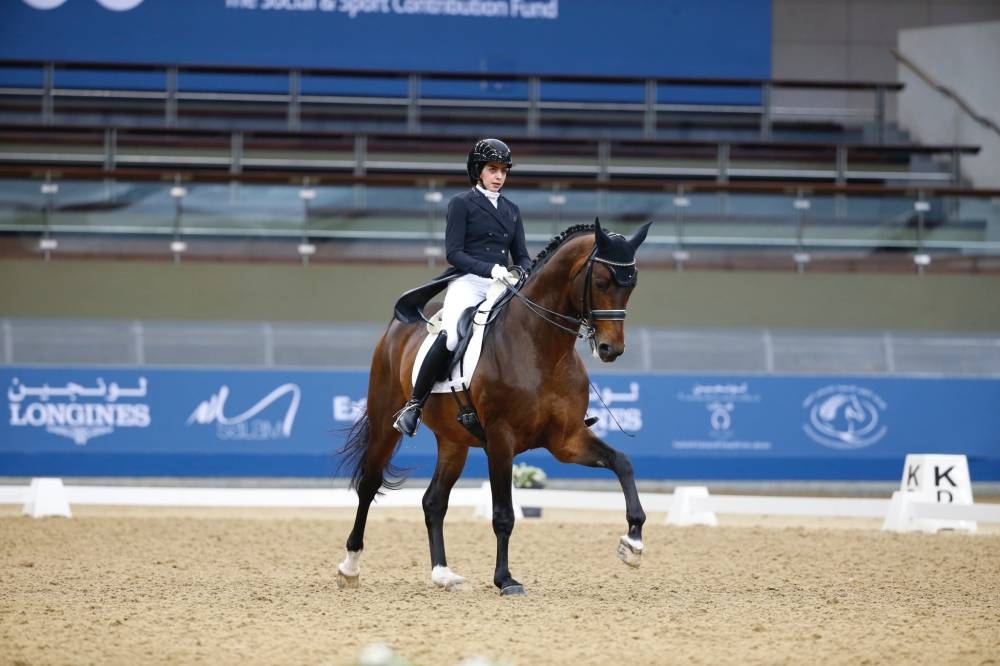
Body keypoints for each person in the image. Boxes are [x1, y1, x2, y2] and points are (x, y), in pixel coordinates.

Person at [393, 138, 532, 436]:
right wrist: (491, 269)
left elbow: (521, 254)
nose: (499, 176)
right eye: (493, 169)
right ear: (478, 171)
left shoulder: (512, 209)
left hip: (501, 284)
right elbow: (454, 253)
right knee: (454, 333)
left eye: (504, 171)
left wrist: (522, 271)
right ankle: (415, 406)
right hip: (468, 282)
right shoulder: (461, 203)